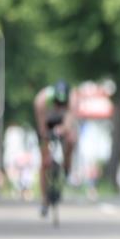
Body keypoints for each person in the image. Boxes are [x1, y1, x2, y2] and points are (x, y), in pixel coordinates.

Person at [33, 80, 79, 217]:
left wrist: (63, 129)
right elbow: (42, 128)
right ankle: (44, 199)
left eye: (62, 104)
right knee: (44, 162)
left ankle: (66, 165)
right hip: (47, 121)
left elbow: (70, 122)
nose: (59, 107)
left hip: (63, 122)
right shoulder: (41, 100)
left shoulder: (73, 99)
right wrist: (46, 145)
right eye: (57, 104)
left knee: (71, 140)